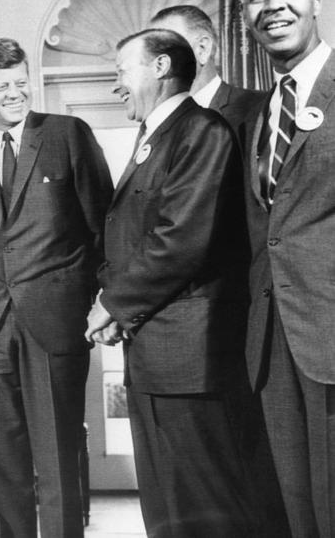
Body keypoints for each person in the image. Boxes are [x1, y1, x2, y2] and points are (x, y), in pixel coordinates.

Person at [84, 28, 257, 536]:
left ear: (159, 67)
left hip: (190, 359)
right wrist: (114, 301)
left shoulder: (201, 131)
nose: (116, 84)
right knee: (168, 505)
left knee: (204, 503)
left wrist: (113, 305)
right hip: (158, 351)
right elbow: (129, 233)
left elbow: (180, 240)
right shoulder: (156, 136)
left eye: (121, 70)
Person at [0, 38, 112, 537]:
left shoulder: (66, 134)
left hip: (55, 319)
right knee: (1, 456)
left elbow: (101, 223)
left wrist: (96, 297)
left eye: (22, 83)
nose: (16, 94)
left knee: (57, 450)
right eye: (2, 87)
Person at [149, 4, 290, 536]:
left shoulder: (258, 109)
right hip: (185, 333)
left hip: (255, 320)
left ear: (204, 49)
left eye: (171, 47)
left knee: (261, 475)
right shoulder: (159, 125)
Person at [240, 0, 335, 537]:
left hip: (330, 334)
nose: (273, 6)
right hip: (275, 343)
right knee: (301, 514)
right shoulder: (264, 110)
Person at [149, 5, 265, 145]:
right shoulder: (157, 121)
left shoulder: (259, 108)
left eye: (166, 49)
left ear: (202, 48)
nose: (158, 64)